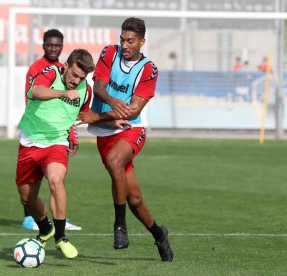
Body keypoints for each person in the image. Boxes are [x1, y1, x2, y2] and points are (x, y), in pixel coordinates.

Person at [77, 17, 174, 262]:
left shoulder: (149, 69)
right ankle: (158, 233)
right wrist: (108, 106)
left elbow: (133, 112)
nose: (125, 45)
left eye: (130, 41)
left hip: (132, 129)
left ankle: (119, 225)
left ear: (142, 41)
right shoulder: (110, 53)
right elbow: (98, 87)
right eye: (122, 39)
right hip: (105, 130)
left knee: (114, 161)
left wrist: (94, 116)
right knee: (135, 199)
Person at [15, 49, 98, 259]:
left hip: (57, 143)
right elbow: (36, 91)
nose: (76, 81)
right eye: (74, 75)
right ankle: (45, 228)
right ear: (67, 66)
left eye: (82, 77)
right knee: (27, 198)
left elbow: (78, 115)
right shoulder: (51, 73)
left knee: (55, 179)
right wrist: (62, 93)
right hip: (30, 142)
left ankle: (61, 237)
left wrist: (74, 135)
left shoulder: (86, 90)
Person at [21, 29, 82, 232]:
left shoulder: (67, 71)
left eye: (57, 45)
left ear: (62, 47)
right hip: (36, 131)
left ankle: (58, 224)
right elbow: (31, 96)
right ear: (43, 45)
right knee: (29, 189)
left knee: (55, 178)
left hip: (56, 136)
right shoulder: (37, 68)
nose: (53, 48)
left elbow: (69, 110)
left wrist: (71, 133)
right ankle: (30, 216)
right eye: (50, 45)